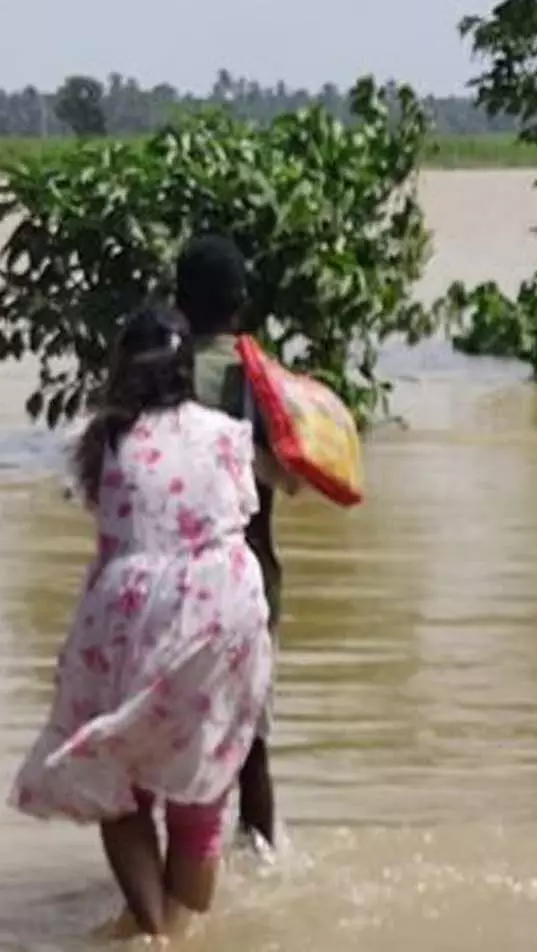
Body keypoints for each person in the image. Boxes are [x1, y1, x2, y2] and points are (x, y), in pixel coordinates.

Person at [9, 305, 275, 939]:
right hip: (224, 607)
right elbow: (244, 505)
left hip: (130, 605)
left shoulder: (98, 440)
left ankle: (152, 931)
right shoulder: (227, 432)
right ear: (186, 369)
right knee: (202, 772)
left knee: (114, 773)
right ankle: (175, 925)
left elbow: (114, 519)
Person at [173, 234, 290, 857]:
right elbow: (297, 475)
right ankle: (265, 860)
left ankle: (183, 871)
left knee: (175, 739)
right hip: (252, 577)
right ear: (242, 302)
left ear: (178, 303)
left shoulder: (157, 374)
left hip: (172, 582)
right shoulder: (261, 377)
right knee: (254, 744)